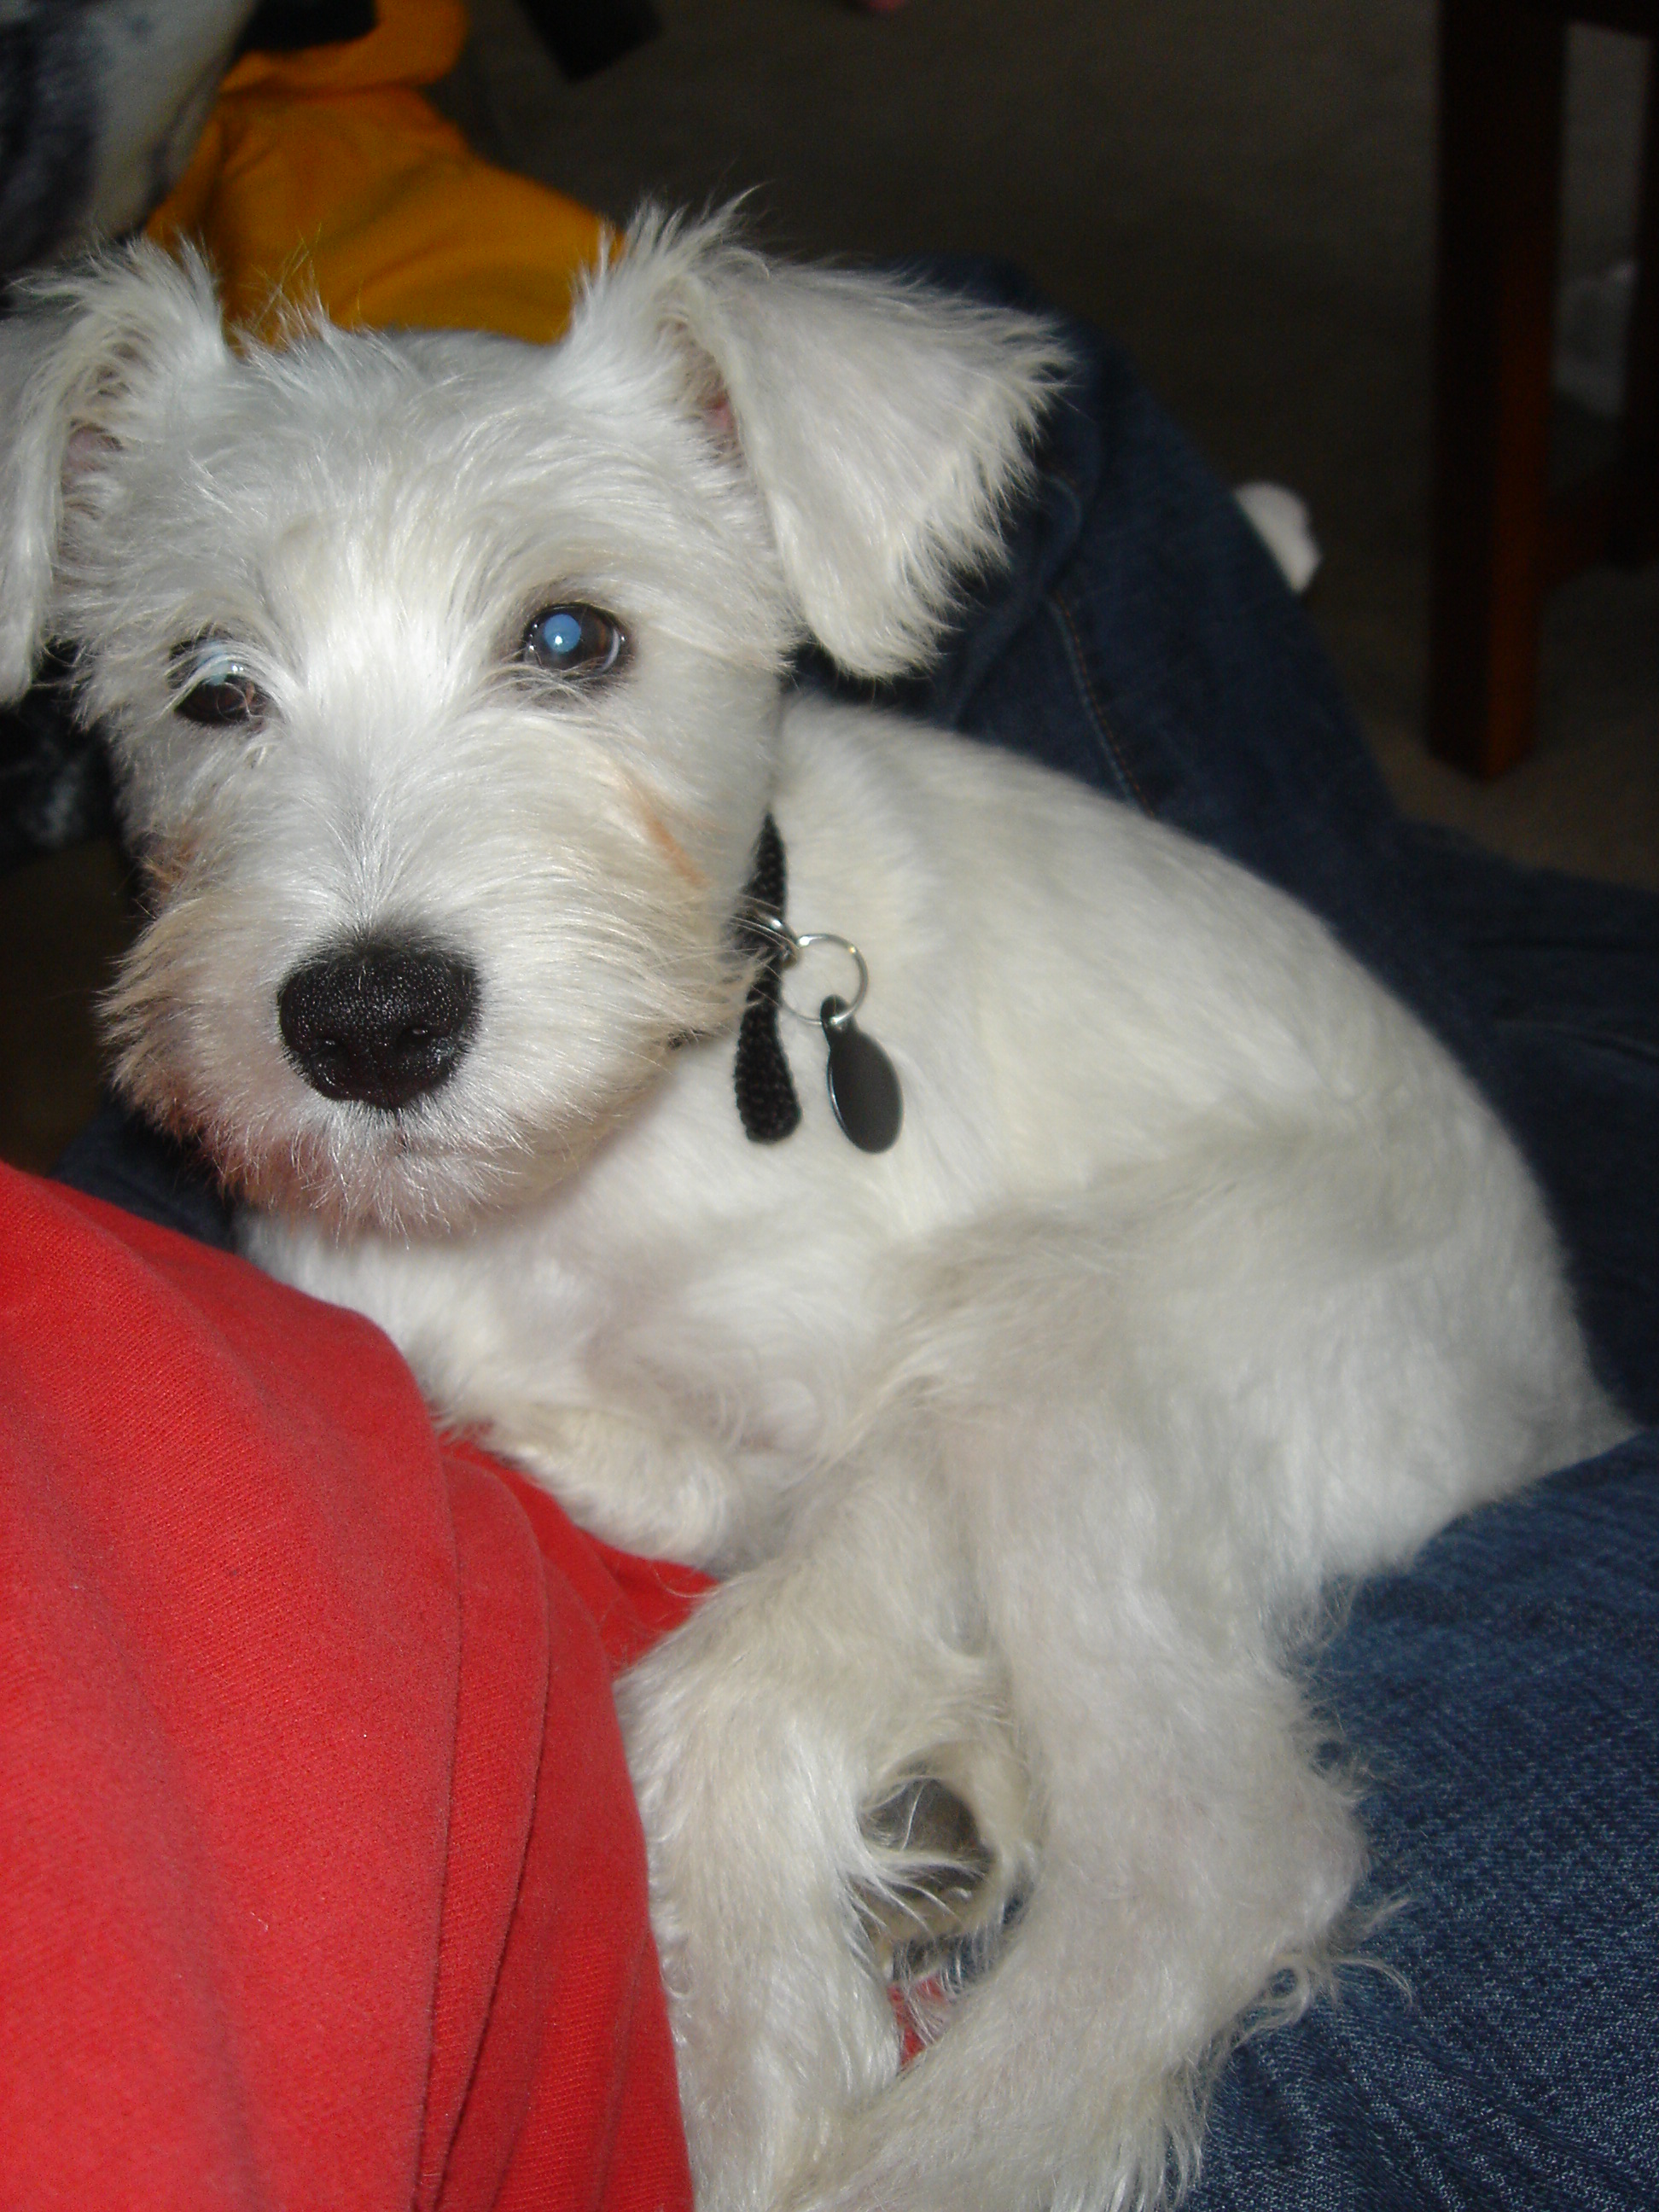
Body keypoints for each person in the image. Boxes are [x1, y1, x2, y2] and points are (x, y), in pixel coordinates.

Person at [5, 4, 1656, 2204]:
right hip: (1298, 1439)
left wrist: (759, 1714)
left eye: (572, 643)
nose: (367, 911)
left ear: (770, 590)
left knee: (994, 1377)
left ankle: (1168, 1895)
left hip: (1362, 1287)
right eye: (221, 689)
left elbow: (901, 1459)